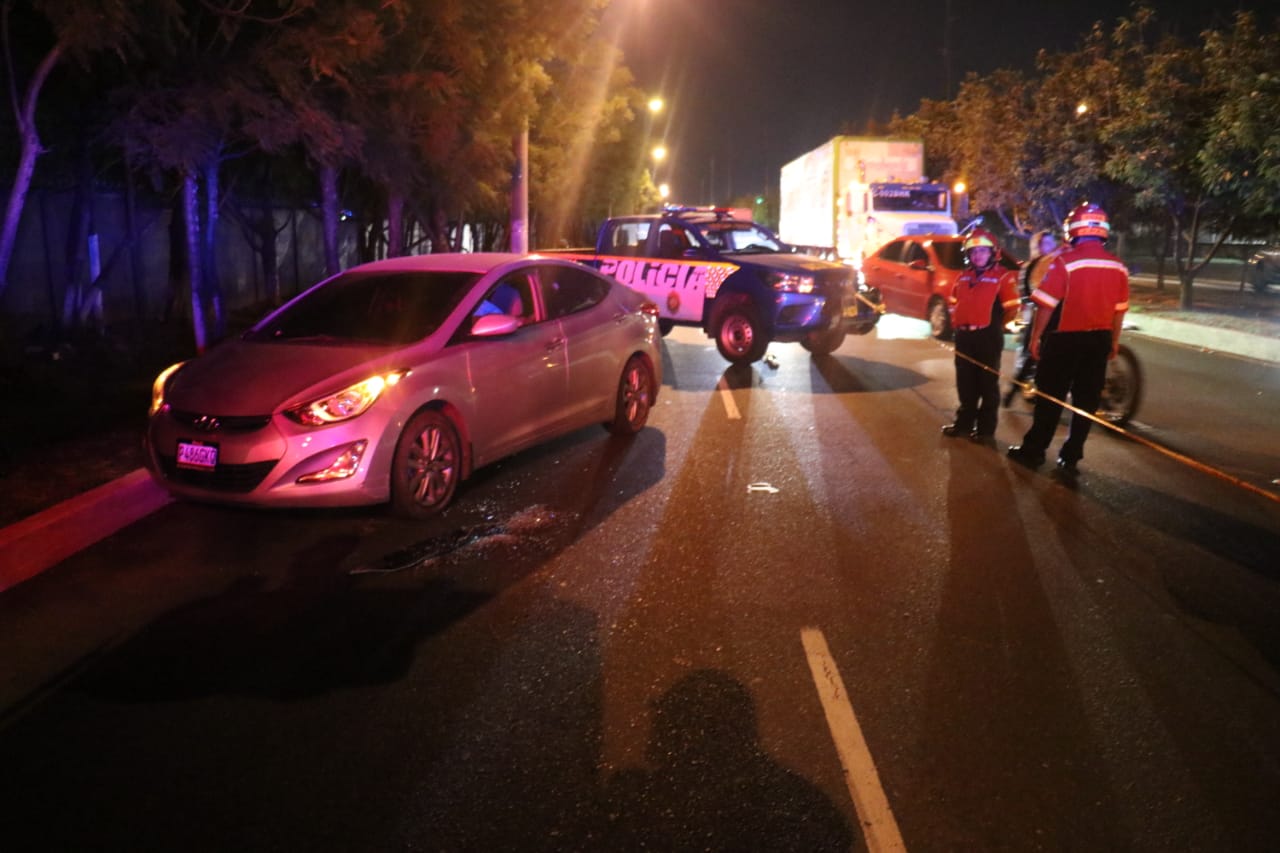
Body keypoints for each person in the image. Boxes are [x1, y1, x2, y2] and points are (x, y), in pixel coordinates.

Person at [1007, 203, 1130, 472]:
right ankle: (1071, 457)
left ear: (1072, 230)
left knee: (1050, 399)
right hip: (1099, 340)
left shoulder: (1065, 262)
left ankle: (1034, 451)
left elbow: (1046, 305)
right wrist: (1114, 341)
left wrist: (1036, 338)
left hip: (1063, 342)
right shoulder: (1118, 266)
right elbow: (1119, 310)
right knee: (1086, 402)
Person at [941, 227, 1021, 442]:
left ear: (992, 253)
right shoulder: (964, 277)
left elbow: (1012, 308)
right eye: (974, 252)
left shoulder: (1002, 276)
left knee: (987, 385)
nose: (978, 256)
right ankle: (964, 424)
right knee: (965, 383)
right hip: (965, 338)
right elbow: (954, 303)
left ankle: (985, 430)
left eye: (982, 251)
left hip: (988, 338)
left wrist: (996, 326)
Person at [1003, 228, 1059, 406]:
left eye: (1051, 243)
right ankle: (1013, 389)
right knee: (1031, 354)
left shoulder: (1058, 264)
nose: (1049, 247)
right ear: (1036, 246)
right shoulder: (1030, 267)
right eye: (1044, 243)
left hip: (1057, 315)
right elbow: (1026, 295)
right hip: (1038, 315)